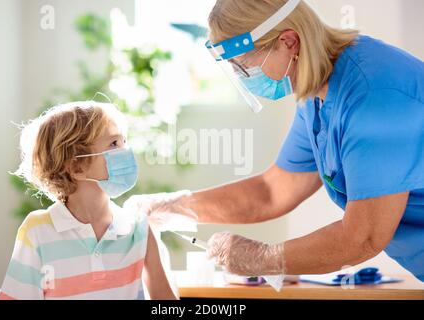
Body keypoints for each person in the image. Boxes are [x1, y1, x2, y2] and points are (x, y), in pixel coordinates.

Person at [142, 0, 424, 282]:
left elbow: (363, 238)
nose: (242, 78)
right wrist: (175, 206)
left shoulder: (376, 95)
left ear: (288, 42)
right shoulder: (316, 94)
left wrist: (263, 258)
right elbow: (272, 191)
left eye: (244, 66)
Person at [0, 102, 177, 299]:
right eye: (114, 144)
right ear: (77, 167)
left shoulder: (140, 229)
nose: (126, 151)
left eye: (124, 141)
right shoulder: (37, 231)